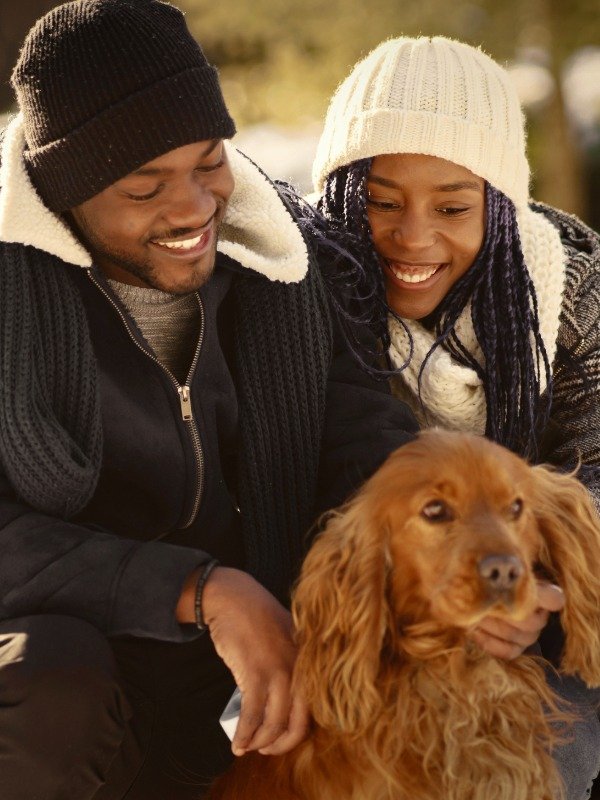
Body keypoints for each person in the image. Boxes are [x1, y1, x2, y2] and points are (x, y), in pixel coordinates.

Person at [0, 3, 420, 799]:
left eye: (209, 161)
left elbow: (364, 444)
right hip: (82, 694)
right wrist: (197, 589)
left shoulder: (284, 270)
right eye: (145, 186)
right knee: (49, 688)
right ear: (63, 193)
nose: (195, 207)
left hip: (251, 690)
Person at [310, 35, 600, 799]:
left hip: (539, 610)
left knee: (547, 764)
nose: (413, 236)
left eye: (452, 207)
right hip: (359, 617)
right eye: (381, 202)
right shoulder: (300, 296)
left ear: (498, 208)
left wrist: (538, 589)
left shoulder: (575, 292)